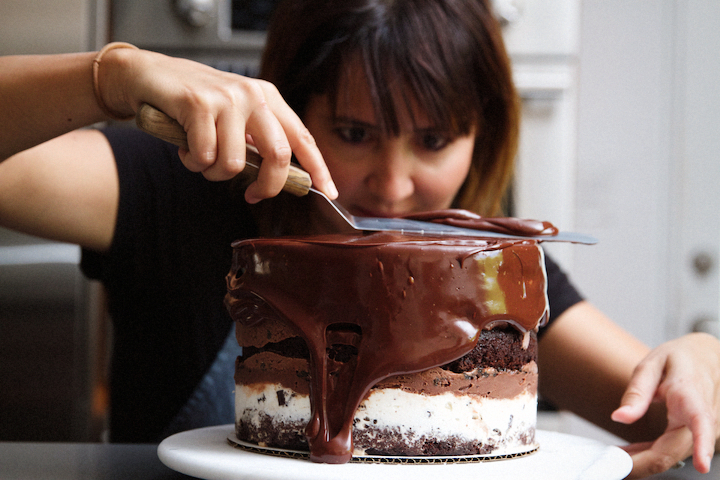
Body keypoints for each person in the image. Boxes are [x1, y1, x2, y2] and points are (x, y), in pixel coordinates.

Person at [0, 0, 718, 477]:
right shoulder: (180, 185)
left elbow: (662, 409)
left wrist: (699, 363)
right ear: (293, 105)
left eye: (434, 141)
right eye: (353, 134)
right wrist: (106, 79)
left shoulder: (483, 269)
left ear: (484, 136)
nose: (396, 186)